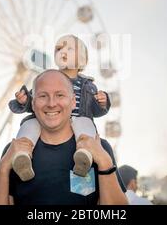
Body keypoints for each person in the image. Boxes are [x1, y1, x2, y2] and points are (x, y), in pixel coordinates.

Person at [0, 69, 127, 205]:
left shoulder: (100, 148)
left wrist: (104, 162)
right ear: (32, 103)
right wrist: (3, 167)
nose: (51, 104)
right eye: (43, 96)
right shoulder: (14, 151)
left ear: (73, 101)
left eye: (60, 95)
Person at [9, 35, 110, 181]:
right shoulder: (47, 79)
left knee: (86, 125)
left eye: (69, 48)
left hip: (78, 119)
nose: (63, 51)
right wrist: (24, 101)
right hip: (48, 121)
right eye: (58, 48)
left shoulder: (88, 86)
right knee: (29, 124)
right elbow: (37, 101)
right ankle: (22, 155)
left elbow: (94, 108)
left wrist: (102, 103)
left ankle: (84, 154)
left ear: (82, 59)